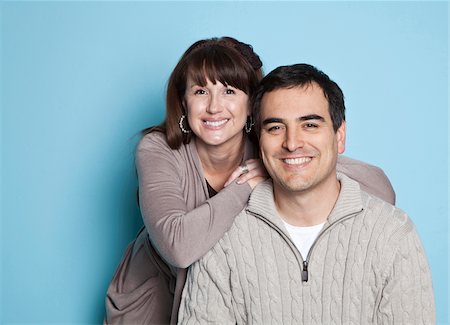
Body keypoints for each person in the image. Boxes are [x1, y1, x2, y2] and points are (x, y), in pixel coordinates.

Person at [104, 37, 395, 325]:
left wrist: (275, 168)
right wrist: (244, 187)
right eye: (201, 91)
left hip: (219, 304)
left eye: (229, 91)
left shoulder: (270, 147)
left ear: (252, 105)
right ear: (184, 101)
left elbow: (381, 190)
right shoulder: (159, 148)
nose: (214, 107)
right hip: (151, 304)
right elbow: (178, 247)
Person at [178, 64, 434, 324]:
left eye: (310, 125)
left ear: (339, 136)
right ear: (259, 140)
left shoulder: (392, 233)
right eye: (275, 128)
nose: (292, 143)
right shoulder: (224, 237)